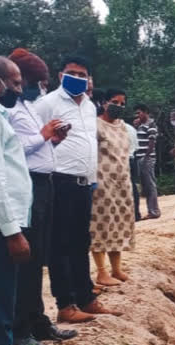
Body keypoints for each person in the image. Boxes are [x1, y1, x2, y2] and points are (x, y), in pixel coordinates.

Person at [34, 55, 120, 322]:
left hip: (84, 183)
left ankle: (86, 297)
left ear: (89, 78)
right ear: (61, 75)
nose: (78, 78)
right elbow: (35, 138)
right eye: (72, 73)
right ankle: (65, 304)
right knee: (60, 245)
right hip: (59, 180)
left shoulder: (89, 106)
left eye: (83, 75)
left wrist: (92, 176)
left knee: (81, 241)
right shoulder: (47, 103)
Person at [7, 48, 78, 345]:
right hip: (29, 187)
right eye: (37, 81)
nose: (40, 87)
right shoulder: (8, 111)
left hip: (44, 185)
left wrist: (53, 138)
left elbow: (36, 144)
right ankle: (21, 327)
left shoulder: (28, 107)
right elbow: (15, 149)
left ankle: (37, 320)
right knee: (28, 260)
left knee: (39, 259)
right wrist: (44, 135)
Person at [0, 56, 33, 345]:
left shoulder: (2, 116)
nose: (19, 89)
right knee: (1, 302)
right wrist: (12, 231)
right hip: (1, 227)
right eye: (16, 82)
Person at [90, 88, 135, 285]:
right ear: (105, 102)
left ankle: (116, 269)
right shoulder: (95, 125)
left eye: (122, 104)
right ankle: (101, 272)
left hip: (122, 181)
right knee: (101, 224)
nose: (119, 106)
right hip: (102, 181)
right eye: (115, 102)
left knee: (120, 222)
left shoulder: (123, 127)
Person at [134, 104, 160, 219]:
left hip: (146, 158)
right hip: (140, 158)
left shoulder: (151, 124)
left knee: (150, 184)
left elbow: (152, 142)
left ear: (145, 112)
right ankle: (151, 210)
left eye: (139, 113)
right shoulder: (141, 125)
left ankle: (154, 211)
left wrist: (146, 157)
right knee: (146, 185)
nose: (137, 115)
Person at [126, 119, 141, 221]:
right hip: (132, 159)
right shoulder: (131, 129)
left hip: (123, 160)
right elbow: (136, 148)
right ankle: (136, 214)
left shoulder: (118, 128)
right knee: (133, 186)